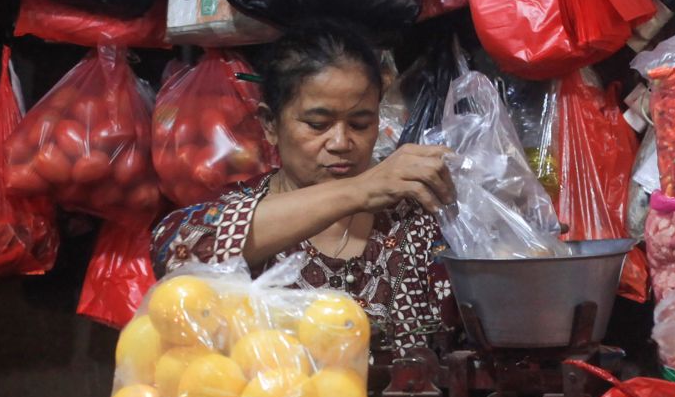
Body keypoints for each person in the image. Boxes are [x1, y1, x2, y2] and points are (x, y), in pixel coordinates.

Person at [151, 23, 457, 356]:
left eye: (360, 124)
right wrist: (359, 191)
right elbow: (174, 251)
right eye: (317, 124)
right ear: (270, 124)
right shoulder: (244, 207)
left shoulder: (415, 222)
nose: (341, 143)